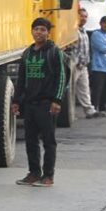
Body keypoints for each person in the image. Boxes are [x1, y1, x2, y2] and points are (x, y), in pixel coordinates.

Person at [11, 17, 67, 187]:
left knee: (49, 142)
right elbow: (21, 79)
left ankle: (48, 176)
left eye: (43, 29)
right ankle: (34, 173)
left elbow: (62, 77)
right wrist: (16, 101)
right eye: (36, 29)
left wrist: (57, 100)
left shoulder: (54, 52)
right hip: (30, 104)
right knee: (30, 140)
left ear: (48, 33)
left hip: (47, 104)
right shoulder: (28, 53)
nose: (39, 32)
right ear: (31, 31)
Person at [73, 6, 98, 119]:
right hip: (75, 65)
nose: (83, 18)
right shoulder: (73, 31)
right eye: (81, 16)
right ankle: (69, 113)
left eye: (85, 16)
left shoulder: (84, 32)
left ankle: (89, 111)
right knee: (69, 89)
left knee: (84, 89)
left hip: (83, 66)